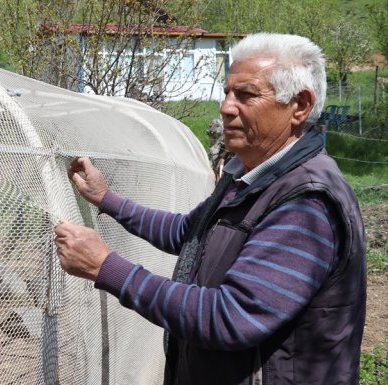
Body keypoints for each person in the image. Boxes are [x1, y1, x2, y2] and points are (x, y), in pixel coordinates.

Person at [55, 33, 366, 385]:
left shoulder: (306, 203)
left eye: (246, 94)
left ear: (299, 106)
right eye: (227, 92)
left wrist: (105, 266)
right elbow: (189, 232)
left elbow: (229, 317)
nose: (226, 106)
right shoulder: (248, 177)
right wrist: (105, 199)